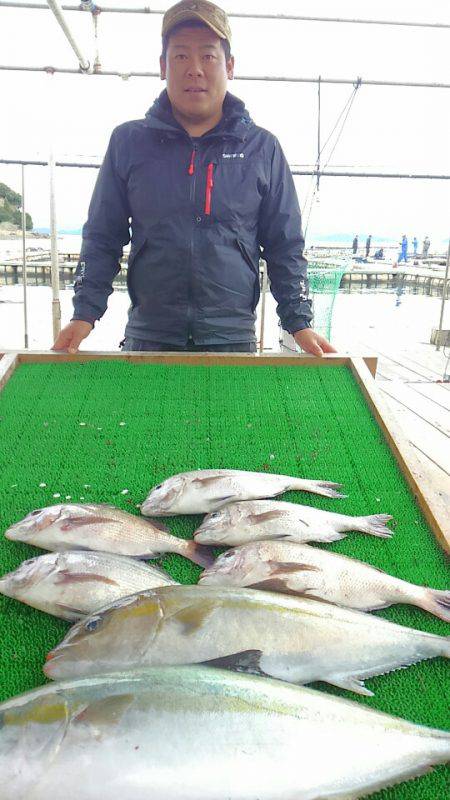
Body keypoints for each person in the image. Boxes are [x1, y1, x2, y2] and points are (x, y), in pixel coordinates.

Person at [53, 0, 335, 357]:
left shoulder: (263, 148)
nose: (195, 70)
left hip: (232, 339)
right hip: (149, 337)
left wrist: (299, 321)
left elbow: (285, 246)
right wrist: (85, 314)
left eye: (208, 56)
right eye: (181, 56)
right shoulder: (127, 142)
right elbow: (102, 237)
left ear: (229, 66)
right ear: (162, 66)